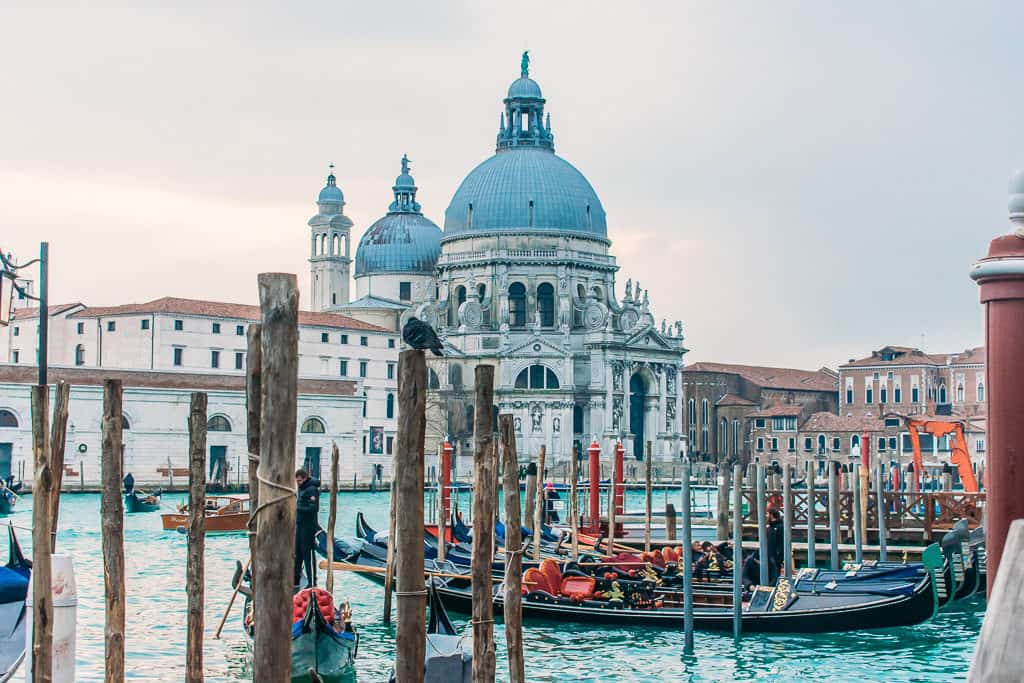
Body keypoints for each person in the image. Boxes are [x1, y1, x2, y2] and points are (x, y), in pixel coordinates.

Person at [294, 468, 321, 590]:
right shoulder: (302, 488)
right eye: (297, 481)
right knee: (297, 552)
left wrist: (296, 509)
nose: (298, 483)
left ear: (304, 478)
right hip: (300, 525)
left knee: (307, 554)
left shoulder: (312, 490)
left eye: (299, 481)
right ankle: (295, 579)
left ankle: (312, 581)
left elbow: (314, 509)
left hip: (308, 527)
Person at [766, 507, 783, 582]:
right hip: (768, 554)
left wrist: (778, 554)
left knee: (775, 573)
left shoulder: (780, 526)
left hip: (776, 555)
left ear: (771, 515)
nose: (766, 515)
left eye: (767, 514)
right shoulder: (770, 527)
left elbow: (781, 542)